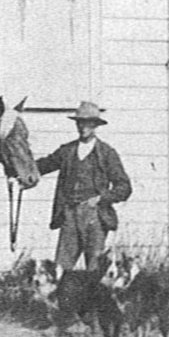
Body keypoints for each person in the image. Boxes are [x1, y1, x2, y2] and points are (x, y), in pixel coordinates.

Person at [34, 100, 132, 274]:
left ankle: (92, 302)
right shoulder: (67, 151)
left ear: (95, 125)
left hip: (94, 217)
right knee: (60, 271)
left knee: (95, 271)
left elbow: (124, 187)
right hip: (69, 215)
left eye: (88, 123)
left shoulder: (107, 153)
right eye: (80, 123)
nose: (83, 127)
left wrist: (100, 199)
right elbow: (43, 165)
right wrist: (18, 170)